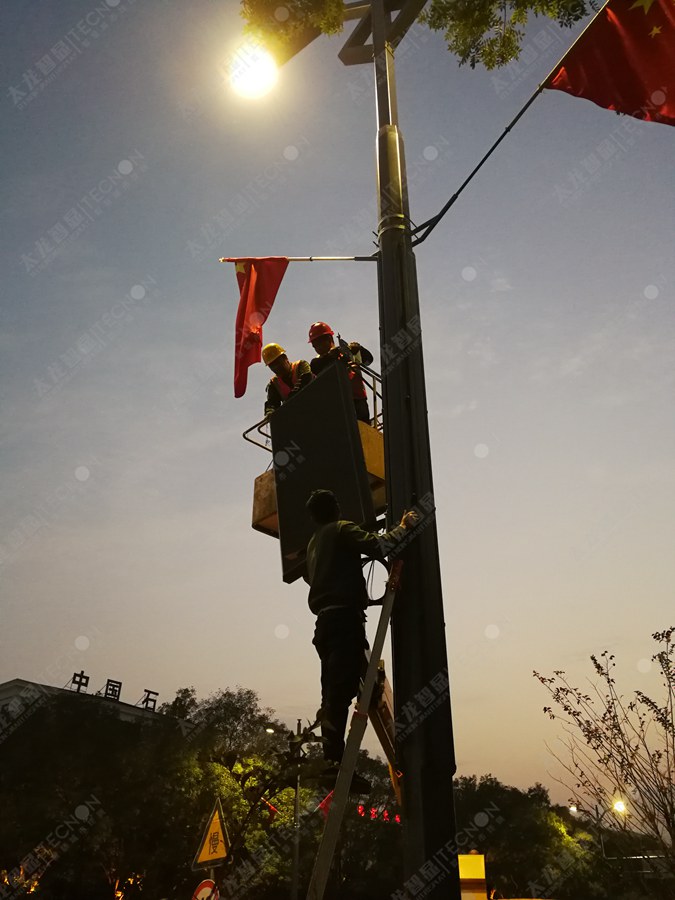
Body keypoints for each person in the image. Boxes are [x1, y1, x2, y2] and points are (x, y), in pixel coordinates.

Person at [304, 488, 418, 792]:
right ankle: (334, 765)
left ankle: (332, 762)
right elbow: (380, 546)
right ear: (336, 508)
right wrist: (403, 527)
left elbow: (311, 576)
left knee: (332, 692)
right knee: (341, 692)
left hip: (324, 624)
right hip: (344, 620)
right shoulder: (342, 529)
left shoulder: (314, 543)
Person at [307, 322, 374, 424]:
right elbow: (316, 368)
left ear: (329, 339)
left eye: (319, 343)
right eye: (315, 345)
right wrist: (331, 355)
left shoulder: (347, 352)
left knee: (363, 428)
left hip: (357, 400)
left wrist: (359, 349)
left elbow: (368, 360)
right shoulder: (317, 362)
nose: (317, 348)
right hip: (336, 403)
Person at [261, 343, 313, 419]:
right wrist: (270, 412)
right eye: (272, 366)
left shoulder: (301, 365)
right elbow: (272, 402)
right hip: (298, 415)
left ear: (285, 358)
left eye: (278, 363)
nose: (276, 367)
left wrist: (293, 395)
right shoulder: (274, 384)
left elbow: (307, 379)